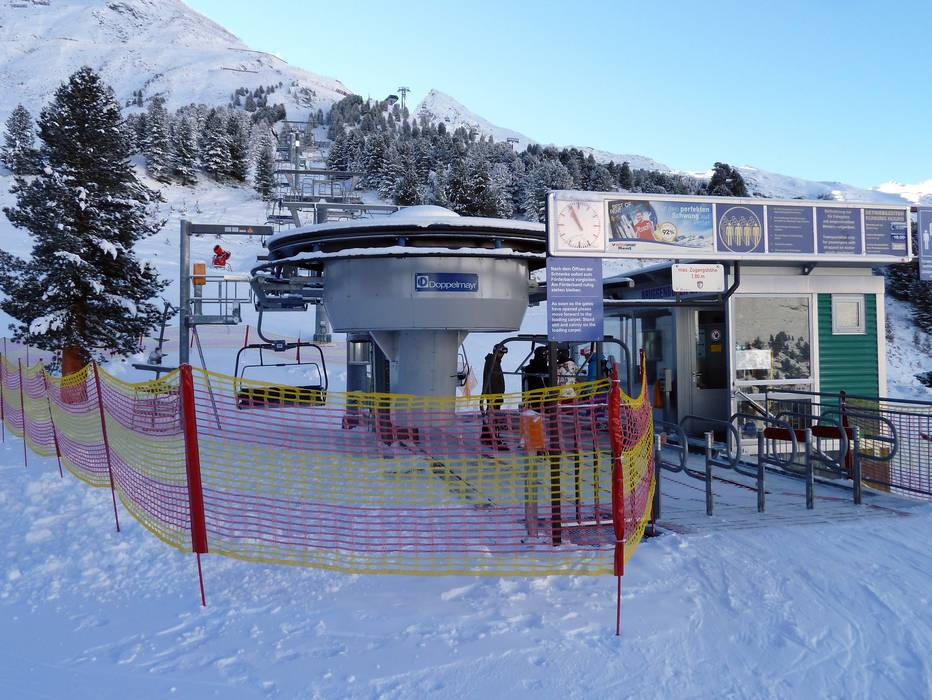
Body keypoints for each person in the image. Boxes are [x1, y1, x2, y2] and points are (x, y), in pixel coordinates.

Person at [480, 345, 508, 450]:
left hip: (495, 394)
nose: (502, 355)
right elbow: (490, 379)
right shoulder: (492, 362)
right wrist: (492, 395)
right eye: (500, 353)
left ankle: (486, 437)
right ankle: (493, 439)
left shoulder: (495, 362)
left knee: (490, 416)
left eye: (503, 354)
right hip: (493, 395)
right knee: (493, 417)